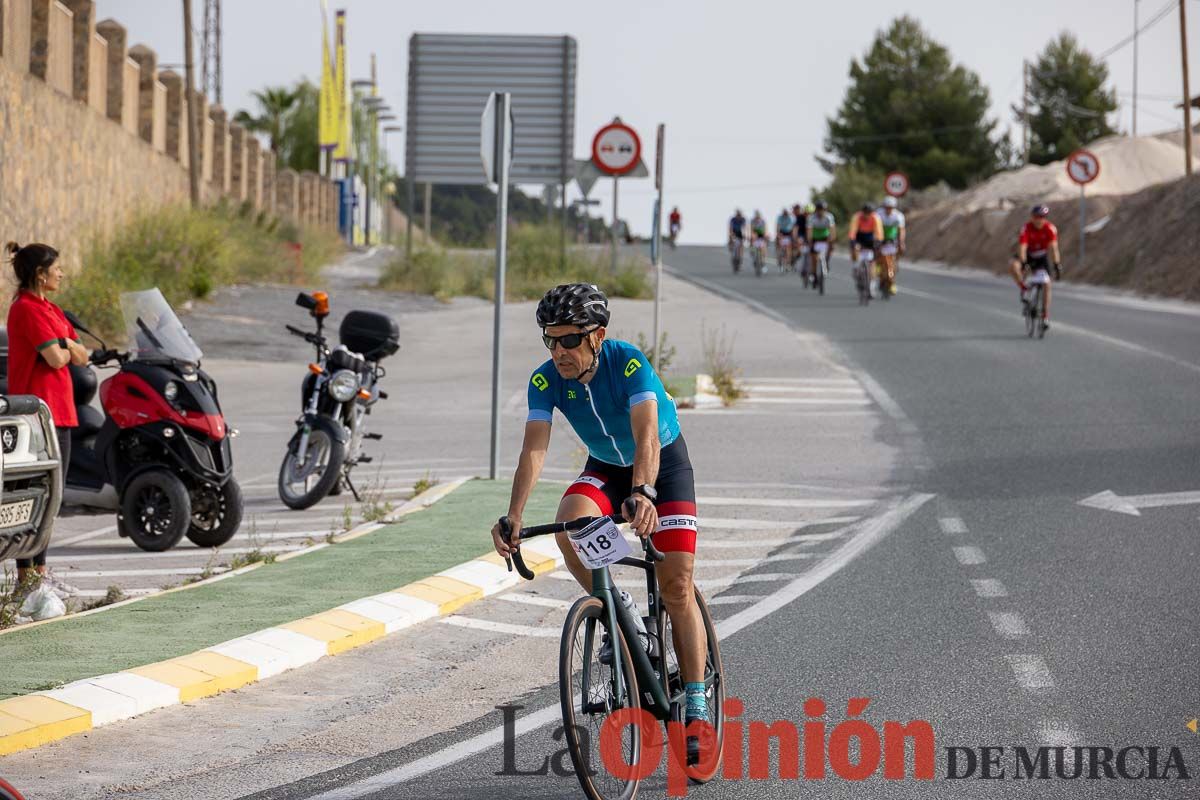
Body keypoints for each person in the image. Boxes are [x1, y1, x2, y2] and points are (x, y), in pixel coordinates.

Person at [491, 283, 710, 749]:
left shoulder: (628, 362)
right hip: (607, 468)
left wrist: (644, 493)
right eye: (550, 339)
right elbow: (534, 448)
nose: (559, 351)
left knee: (676, 585)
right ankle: (619, 610)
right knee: (570, 524)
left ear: (597, 336)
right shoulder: (546, 379)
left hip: (663, 468)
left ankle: (696, 700)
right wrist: (513, 515)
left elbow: (647, 436)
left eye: (570, 339)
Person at [4, 242, 86, 601]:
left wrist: (66, 342)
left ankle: (40, 575)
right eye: (57, 269)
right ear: (41, 274)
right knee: (39, 497)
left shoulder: (50, 308)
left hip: (62, 412)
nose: (61, 274)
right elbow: (54, 359)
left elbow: (82, 355)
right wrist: (67, 345)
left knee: (53, 499)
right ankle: (29, 579)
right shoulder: (26, 309)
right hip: (39, 415)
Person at [1010, 204, 1062, 328]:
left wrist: (1057, 265)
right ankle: (1023, 288)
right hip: (1027, 255)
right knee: (1013, 266)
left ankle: (1045, 315)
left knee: (1047, 284)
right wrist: (1024, 263)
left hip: (1041, 257)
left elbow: (1054, 248)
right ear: (1032, 217)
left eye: (1042, 217)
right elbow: (1022, 247)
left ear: (1045, 217)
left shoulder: (1050, 229)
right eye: (1036, 216)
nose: (1038, 219)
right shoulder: (1026, 228)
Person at [877, 197, 906, 295]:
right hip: (881, 239)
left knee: (892, 264)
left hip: (892, 240)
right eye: (887, 207)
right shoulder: (878, 214)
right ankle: (879, 270)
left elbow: (901, 230)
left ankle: (892, 282)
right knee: (880, 258)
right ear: (884, 207)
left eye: (890, 207)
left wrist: (901, 242)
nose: (888, 209)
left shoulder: (898, 216)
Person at [806, 201, 837, 285]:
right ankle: (814, 274)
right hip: (815, 237)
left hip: (825, 237)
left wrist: (832, 240)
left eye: (823, 210)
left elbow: (832, 229)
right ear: (816, 210)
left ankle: (827, 261)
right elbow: (809, 231)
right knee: (814, 258)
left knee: (831, 248)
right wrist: (810, 241)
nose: (821, 212)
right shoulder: (811, 218)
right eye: (819, 210)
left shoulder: (829, 217)